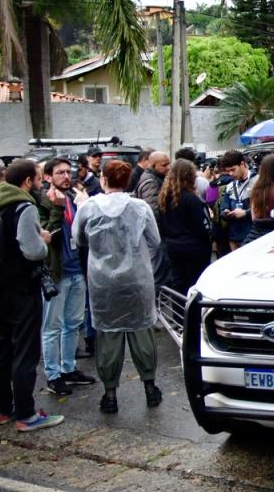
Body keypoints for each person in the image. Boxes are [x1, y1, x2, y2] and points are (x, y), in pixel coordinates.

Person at [72, 160, 162, 414]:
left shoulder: (89, 208)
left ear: (103, 179)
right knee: (141, 331)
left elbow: (78, 238)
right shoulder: (140, 207)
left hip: (103, 282)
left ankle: (110, 393)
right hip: (137, 278)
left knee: (108, 335)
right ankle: (150, 388)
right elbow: (154, 241)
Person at [0, 160, 64, 431]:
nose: (42, 183)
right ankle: (26, 415)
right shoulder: (25, 207)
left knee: (2, 347)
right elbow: (32, 251)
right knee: (25, 352)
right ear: (28, 181)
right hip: (22, 287)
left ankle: (3, 411)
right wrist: (43, 240)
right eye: (39, 179)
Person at [37, 158, 95, 396]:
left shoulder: (72, 197)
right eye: (59, 172)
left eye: (68, 172)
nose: (66, 176)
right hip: (56, 272)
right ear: (48, 177)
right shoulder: (42, 201)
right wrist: (57, 208)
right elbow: (46, 235)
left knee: (73, 324)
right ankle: (53, 375)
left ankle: (69, 368)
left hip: (76, 270)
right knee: (52, 326)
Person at [158, 159, 212, 293]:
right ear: (190, 177)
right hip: (194, 248)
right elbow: (202, 227)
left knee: (178, 284)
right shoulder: (190, 199)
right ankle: (193, 314)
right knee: (195, 285)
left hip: (172, 247)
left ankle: (178, 313)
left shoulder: (164, 197)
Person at [219, 150, 257, 251]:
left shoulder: (257, 181)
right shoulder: (230, 186)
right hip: (234, 238)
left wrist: (245, 213)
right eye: (228, 171)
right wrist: (226, 212)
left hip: (253, 237)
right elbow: (223, 208)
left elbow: (263, 209)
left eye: (233, 169)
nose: (231, 174)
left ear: (242, 164)